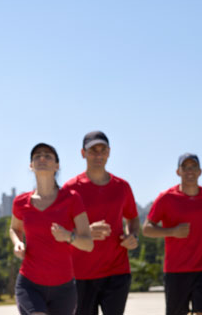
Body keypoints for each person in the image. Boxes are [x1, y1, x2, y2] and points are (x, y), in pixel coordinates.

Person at [10, 143, 93, 315]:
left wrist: (68, 236)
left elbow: (88, 243)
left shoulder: (72, 199)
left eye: (48, 156)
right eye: (37, 156)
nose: (42, 158)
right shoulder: (20, 202)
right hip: (29, 283)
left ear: (57, 166)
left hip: (64, 287)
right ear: (31, 165)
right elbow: (14, 229)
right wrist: (18, 243)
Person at [63, 131, 140, 315]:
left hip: (117, 271)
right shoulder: (70, 189)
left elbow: (133, 218)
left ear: (109, 152)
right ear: (83, 153)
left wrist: (133, 235)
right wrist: (84, 232)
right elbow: (60, 229)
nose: (98, 154)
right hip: (81, 273)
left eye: (102, 150)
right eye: (93, 150)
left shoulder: (122, 187)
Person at [143, 153, 202, 315]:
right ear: (178, 172)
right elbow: (146, 229)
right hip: (175, 271)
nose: (189, 171)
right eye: (185, 168)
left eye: (193, 167)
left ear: (200, 171)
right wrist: (172, 231)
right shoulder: (166, 198)